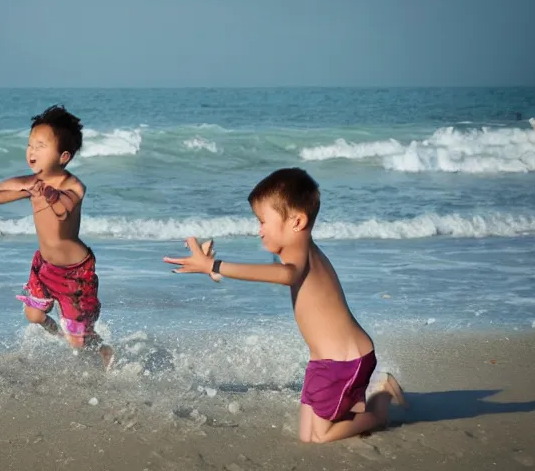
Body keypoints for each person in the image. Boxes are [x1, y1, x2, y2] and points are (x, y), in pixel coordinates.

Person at [163, 167, 407, 443]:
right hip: (324, 363)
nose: (259, 230)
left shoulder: (297, 256)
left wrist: (214, 265)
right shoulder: (298, 249)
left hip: (345, 361)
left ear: (297, 222)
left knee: (318, 437)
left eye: (263, 221)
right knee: (307, 432)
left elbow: (286, 274)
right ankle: (356, 404)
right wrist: (213, 268)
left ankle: (380, 402)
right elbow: (272, 269)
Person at [0, 105, 113, 369]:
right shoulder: (34, 184)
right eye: (30, 144)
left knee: (80, 341)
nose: (32, 151)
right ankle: (64, 337)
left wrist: (50, 195)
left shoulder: (73, 186)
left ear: (63, 156)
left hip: (75, 271)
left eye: (41, 146)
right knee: (34, 315)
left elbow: (64, 211)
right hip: (45, 266)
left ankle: (101, 348)